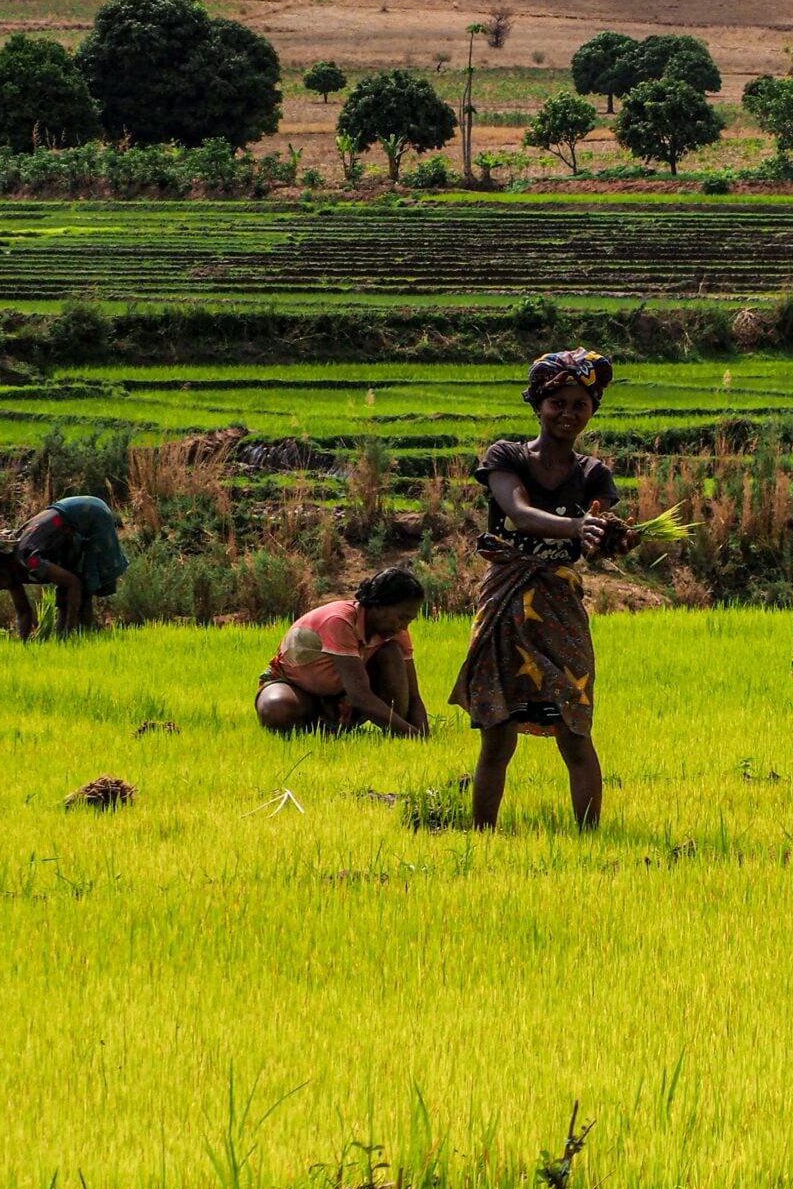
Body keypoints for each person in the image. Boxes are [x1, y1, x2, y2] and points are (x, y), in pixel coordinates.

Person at [450, 350, 627, 830]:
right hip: (507, 600)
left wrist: (613, 538)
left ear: (592, 411)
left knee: (573, 726)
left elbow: (594, 537)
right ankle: (482, 836)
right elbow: (518, 513)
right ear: (537, 404)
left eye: (580, 404)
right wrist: (577, 528)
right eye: (558, 403)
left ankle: (588, 836)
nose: (568, 413)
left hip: (558, 607)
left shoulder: (594, 474)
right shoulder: (507, 457)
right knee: (497, 732)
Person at [256, 567, 429, 736]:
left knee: (391, 652)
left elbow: (413, 696)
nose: (404, 626)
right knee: (278, 710)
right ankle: (323, 724)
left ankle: (379, 728)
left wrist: (422, 733)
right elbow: (359, 696)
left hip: (341, 696)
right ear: (378, 606)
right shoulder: (339, 621)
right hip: (296, 687)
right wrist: (411, 733)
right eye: (401, 617)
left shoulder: (396, 632)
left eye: (410, 620)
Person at [0, 495, 129, 639]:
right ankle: (72, 639)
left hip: (89, 515)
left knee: (85, 587)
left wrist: (68, 631)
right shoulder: (11, 572)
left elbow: (74, 583)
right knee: (65, 601)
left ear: (1, 567)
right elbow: (23, 612)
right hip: (67, 533)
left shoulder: (28, 559)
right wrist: (23, 644)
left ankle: (82, 635)